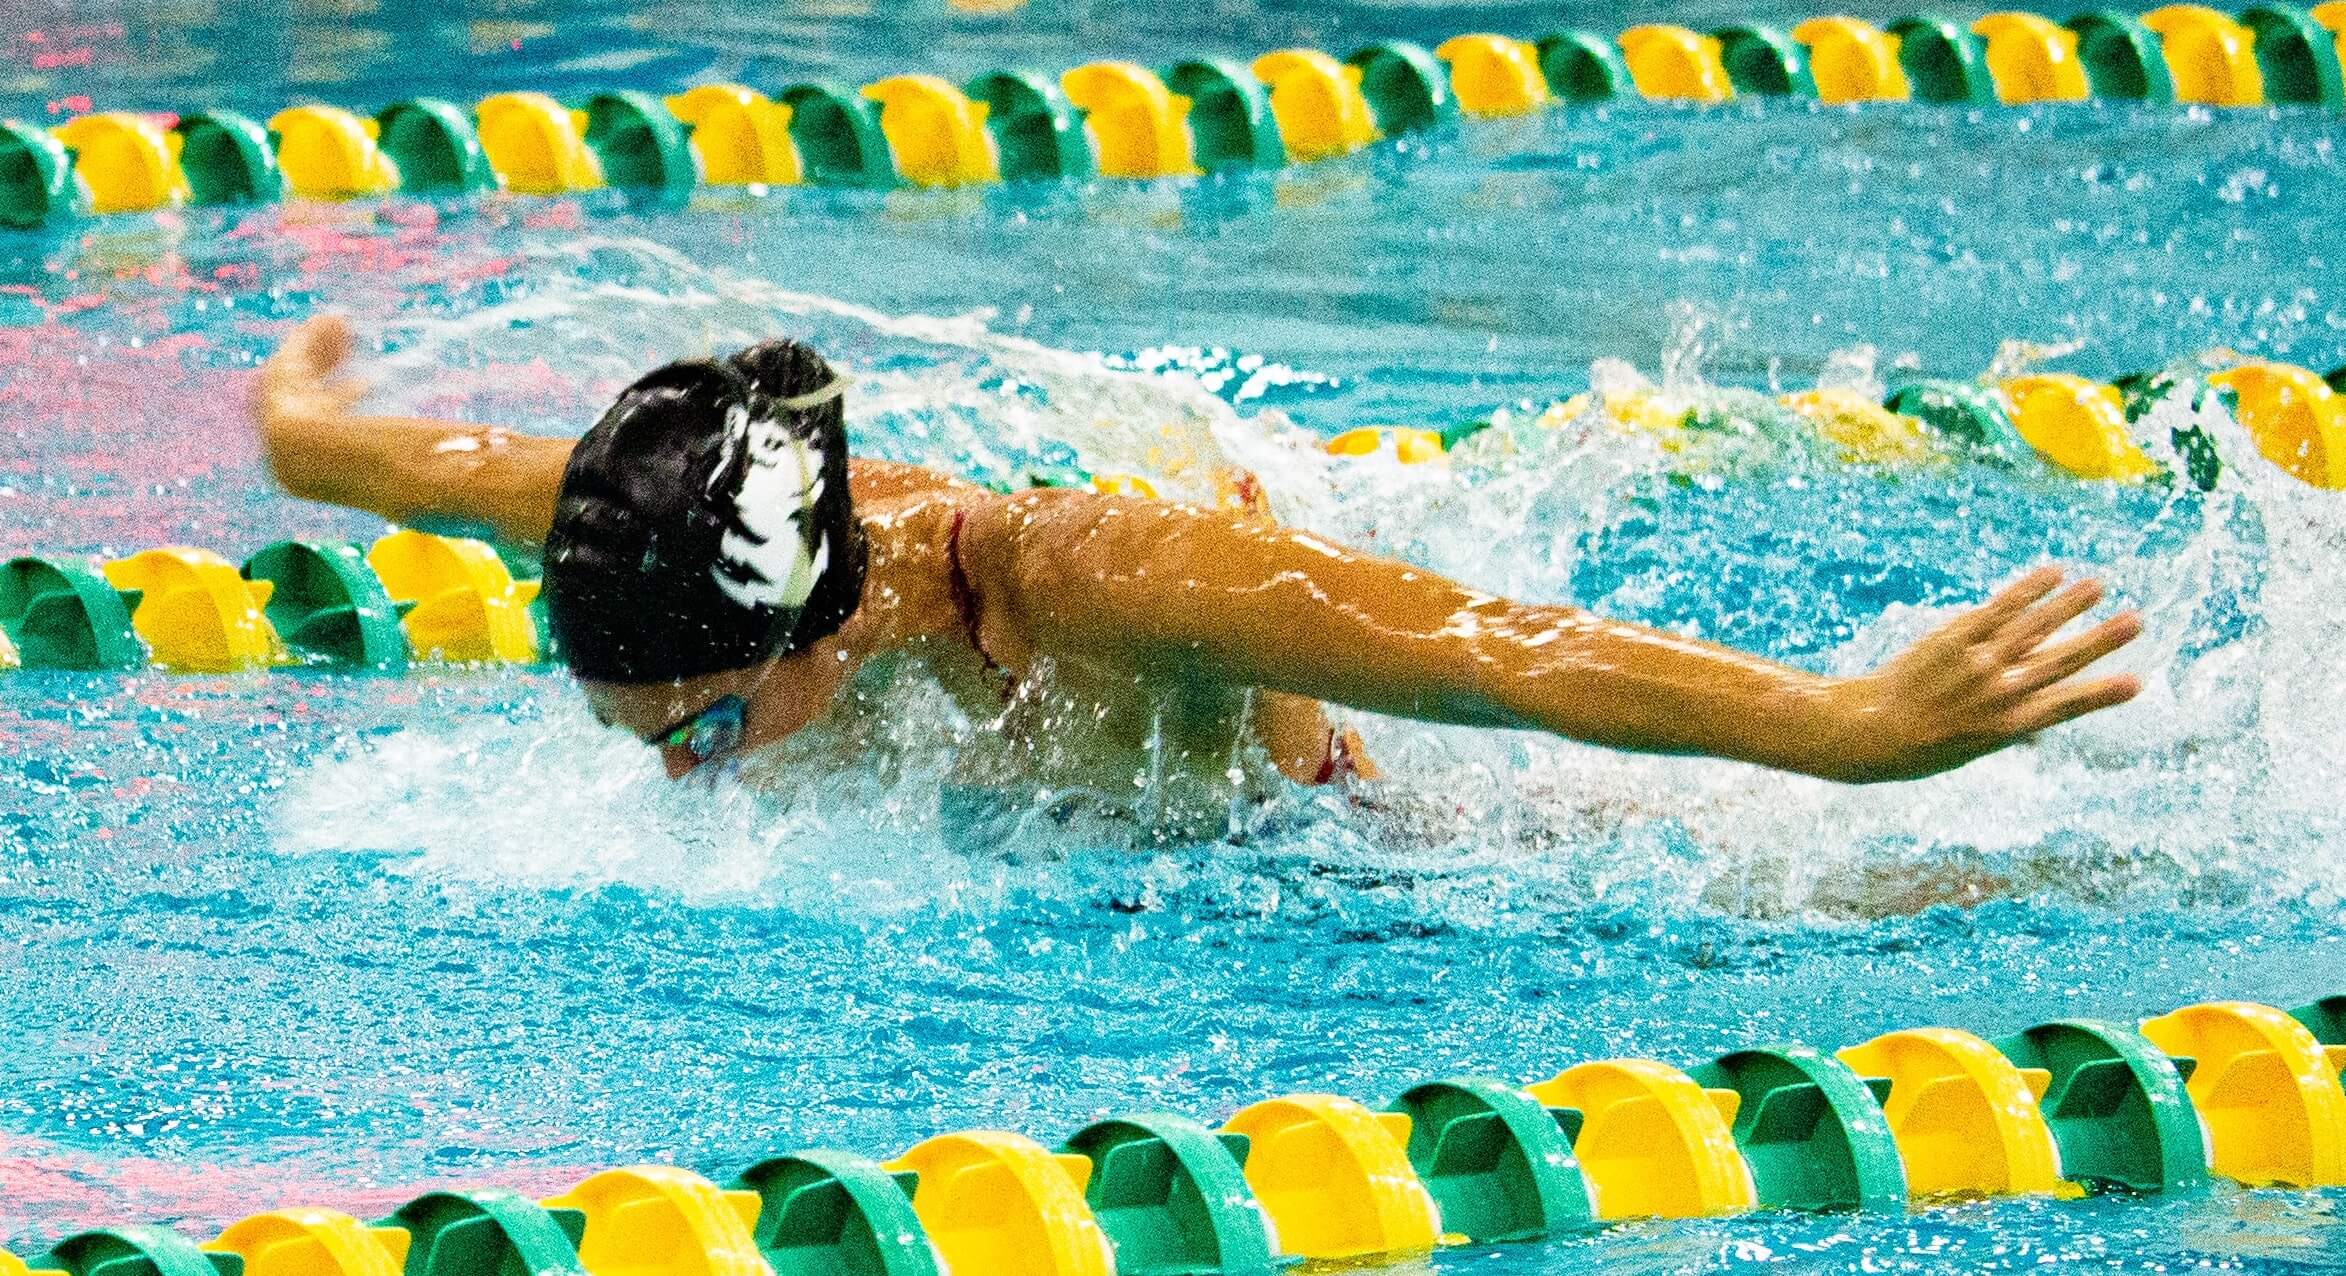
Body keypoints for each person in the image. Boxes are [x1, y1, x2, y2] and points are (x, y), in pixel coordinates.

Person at [252, 315, 2143, 815]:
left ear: (820, 634)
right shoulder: (655, 535)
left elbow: (1497, 650)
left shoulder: (1085, 579)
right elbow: (388, 457)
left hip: (1342, 857)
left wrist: (1853, 723)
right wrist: (296, 419)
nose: (672, 778)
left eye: (703, 741)